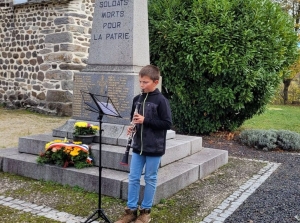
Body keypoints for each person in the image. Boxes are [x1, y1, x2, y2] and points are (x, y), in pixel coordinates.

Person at [115, 65, 172, 223]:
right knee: (133, 178)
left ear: (155, 82)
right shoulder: (136, 99)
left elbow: (167, 123)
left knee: (150, 178)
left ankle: (145, 212)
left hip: (154, 147)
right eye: (140, 81)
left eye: (145, 82)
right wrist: (132, 128)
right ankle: (131, 211)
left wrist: (145, 120)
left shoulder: (161, 101)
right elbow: (134, 120)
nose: (141, 85)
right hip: (138, 146)